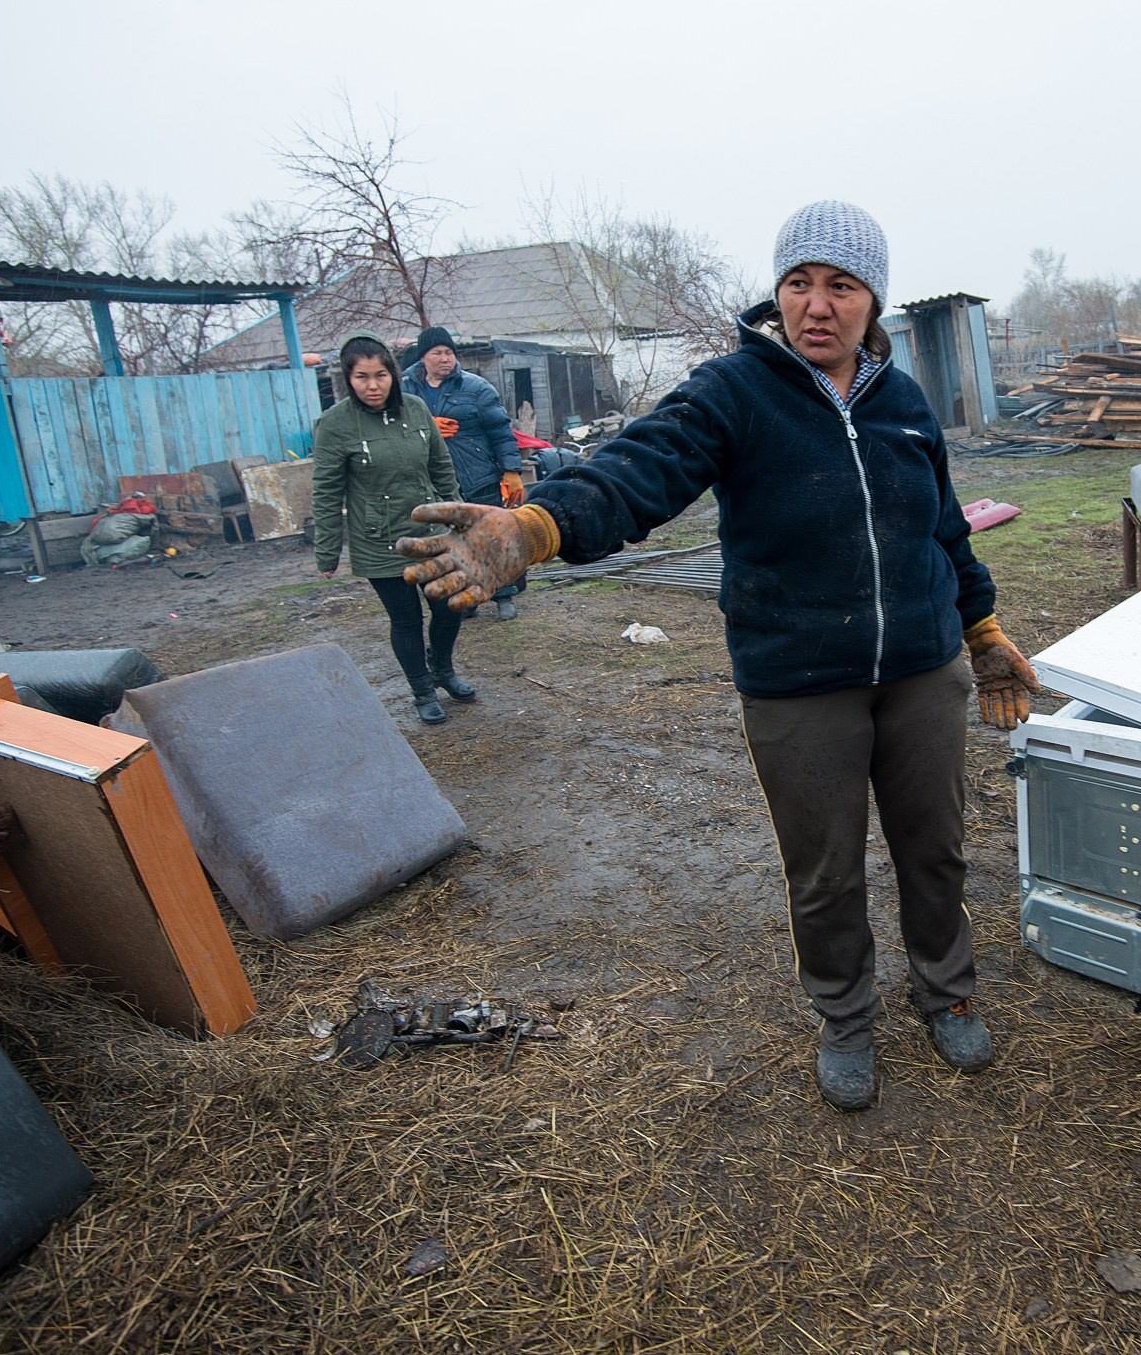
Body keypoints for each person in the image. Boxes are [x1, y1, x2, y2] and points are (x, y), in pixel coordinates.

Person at [397, 201, 1041, 1111]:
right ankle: (846, 1016)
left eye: (841, 287)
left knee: (933, 851)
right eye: (798, 283)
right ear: (777, 293)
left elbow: (942, 528)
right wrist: (542, 524)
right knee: (824, 868)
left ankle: (948, 991)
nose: (816, 305)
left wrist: (981, 631)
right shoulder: (734, 389)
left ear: (874, 302)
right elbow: (642, 468)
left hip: (921, 669)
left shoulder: (903, 402)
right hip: (798, 679)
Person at [311, 333, 468, 725]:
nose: (372, 385)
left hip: (430, 534)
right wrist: (327, 550)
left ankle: (443, 669)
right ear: (348, 379)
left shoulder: (415, 410)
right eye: (361, 377)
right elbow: (327, 491)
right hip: (380, 540)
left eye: (380, 375)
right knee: (406, 620)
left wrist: (462, 518)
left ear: (394, 375)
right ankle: (422, 690)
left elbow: (441, 468)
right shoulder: (334, 425)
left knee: (449, 607)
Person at [403, 326, 527, 620]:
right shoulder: (405, 390)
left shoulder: (476, 387)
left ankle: (504, 595)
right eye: (438, 353)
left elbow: (500, 430)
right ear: (424, 357)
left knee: (493, 538)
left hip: (477, 473)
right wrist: (426, 425)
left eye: (449, 353)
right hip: (433, 480)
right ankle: (467, 597)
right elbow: (394, 427)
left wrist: (511, 471)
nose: (445, 358)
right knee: (451, 541)